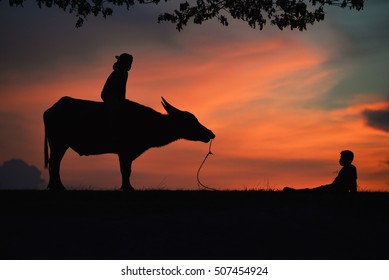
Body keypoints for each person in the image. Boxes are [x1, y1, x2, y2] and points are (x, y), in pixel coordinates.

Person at [283, 150, 358, 193]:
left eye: (342, 158)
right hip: (332, 188)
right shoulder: (346, 168)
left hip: (334, 190)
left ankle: (294, 193)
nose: (340, 160)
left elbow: (353, 183)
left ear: (348, 159)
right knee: (312, 191)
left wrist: (353, 195)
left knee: (312, 192)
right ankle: (295, 192)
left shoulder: (350, 169)